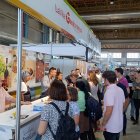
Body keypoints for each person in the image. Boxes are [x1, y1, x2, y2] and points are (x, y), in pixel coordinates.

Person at [101, 71, 125, 140]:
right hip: (118, 124)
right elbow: (122, 104)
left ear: (107, 79)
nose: (103, 81)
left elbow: (109, 110)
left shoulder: (109, 92)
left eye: (104, 79)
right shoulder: (120, 89)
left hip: (110, 126)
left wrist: (103, 124)